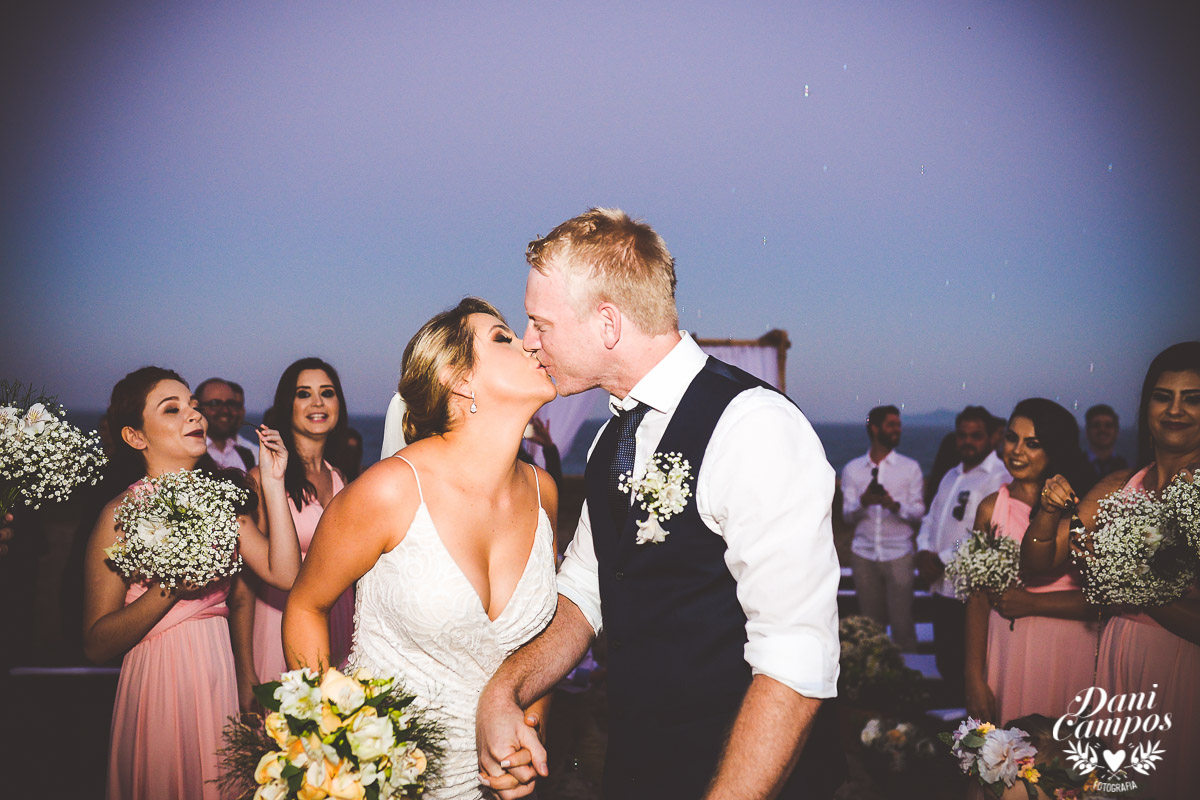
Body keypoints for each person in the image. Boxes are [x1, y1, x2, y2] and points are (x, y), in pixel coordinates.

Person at [476, 208, 843, 800]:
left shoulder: (753, 428)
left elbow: (796, 663)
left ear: (607, 323)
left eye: (541, 322)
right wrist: (504, 689)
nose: (528, 341)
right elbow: (586, 593)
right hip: (635, 767)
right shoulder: (608, 441)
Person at [283, 298, 560, 800]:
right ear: (459, 379)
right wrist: (335, 744)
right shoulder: (390, 490)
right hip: (391, 780)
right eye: (504, 337)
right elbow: (305, 605)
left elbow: (539, 648)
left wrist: (527, 732)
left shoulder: (545, 494)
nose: (531, 343)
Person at [82, 366, 302, 800]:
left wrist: (273, 483)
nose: (194, 416)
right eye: (173, 408)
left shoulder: (220, 498)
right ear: (136, 436)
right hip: (158, 680)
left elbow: (286, 574)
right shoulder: (119, 515)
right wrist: (172, 589)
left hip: (216, 667)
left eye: (194, 406)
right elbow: (96, 642)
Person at [1025, 342, 1200, 799]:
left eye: (1193, 398)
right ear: (1146, 408)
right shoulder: (1121, 485)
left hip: (1185, 670)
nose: (1175, 410)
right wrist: (1046, 509)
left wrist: (1138, 589)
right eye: (1163, 396)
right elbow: (1038, 563)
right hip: (1119, 662)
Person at [964, 398, 1099, 726]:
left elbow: (1102, 601)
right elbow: (978, 598)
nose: (1017, 450)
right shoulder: (990, 509)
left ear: (1055, 448)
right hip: (1006, 651)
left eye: (1033, 443)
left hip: (1070, 649)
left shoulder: (1082, 510)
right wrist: (972, 677)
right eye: (1012, 438)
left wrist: (1032, 602)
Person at [229, 358, 356, 705]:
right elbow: (243, 586)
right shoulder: (262, 479)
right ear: (288, 405)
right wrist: (245, 673)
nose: (317, 403)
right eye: (304, 394)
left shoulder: (340, 477)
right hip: (278, 624)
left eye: (326, 393)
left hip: (337, 621)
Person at [915, 405, 1010, 702]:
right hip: (940, 589)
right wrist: (923, 550)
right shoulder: (951, 475)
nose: (967, 442)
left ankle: (970, 737)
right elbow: (931, 519)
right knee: (945, 663)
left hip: (970, 594)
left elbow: (982, 535)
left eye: (976, 436)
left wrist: (942, 558)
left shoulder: (998, 478)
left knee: (969, 672)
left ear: (993, 437)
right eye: (962, 435)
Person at [842, 405, 925, 652]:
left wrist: (895, 505)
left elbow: (919, 512)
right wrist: (863, 502)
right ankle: (875, 681)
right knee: (870, 628)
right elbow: (847, 515)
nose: (897, 430)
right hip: (864, 555)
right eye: (892, 425)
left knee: (903, 625)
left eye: (898, 424)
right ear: (875, 428)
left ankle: (909, 681)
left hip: (899, 554)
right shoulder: (853, 470)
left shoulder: (910, 468)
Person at [195, 377, 255, 470]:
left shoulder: (246, 455)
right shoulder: (190, 454)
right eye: (215, 404)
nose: (225, 410)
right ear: (198, 408)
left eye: (230, 403)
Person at [1084, 403, 1128, 478]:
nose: (1102, 430)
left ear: (1117, 431)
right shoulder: (1073, 466)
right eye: (1096, 425)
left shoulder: (1127, 468)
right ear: (1087, 430)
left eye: (1108, 425)